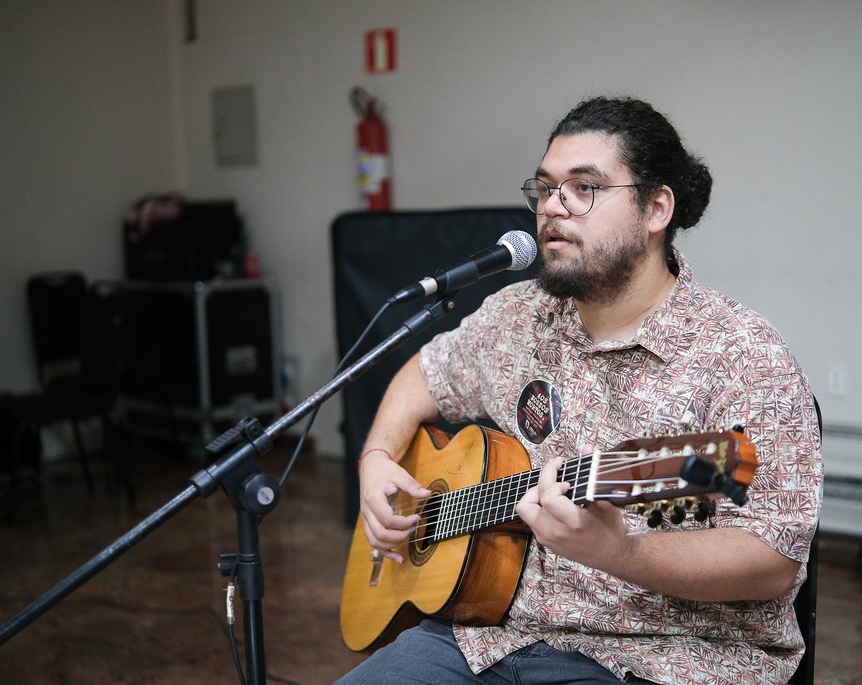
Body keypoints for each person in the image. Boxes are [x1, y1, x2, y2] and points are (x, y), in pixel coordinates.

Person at [336, 96, 822, 685]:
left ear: (656, 208)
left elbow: (771, 562)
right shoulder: (516, 316)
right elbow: (426, 373)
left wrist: (621, 554)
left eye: (585, 187)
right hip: (486, 637)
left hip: (666, 657)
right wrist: (377, 458)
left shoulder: (744, 357)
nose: (552, 207)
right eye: (544, 188)